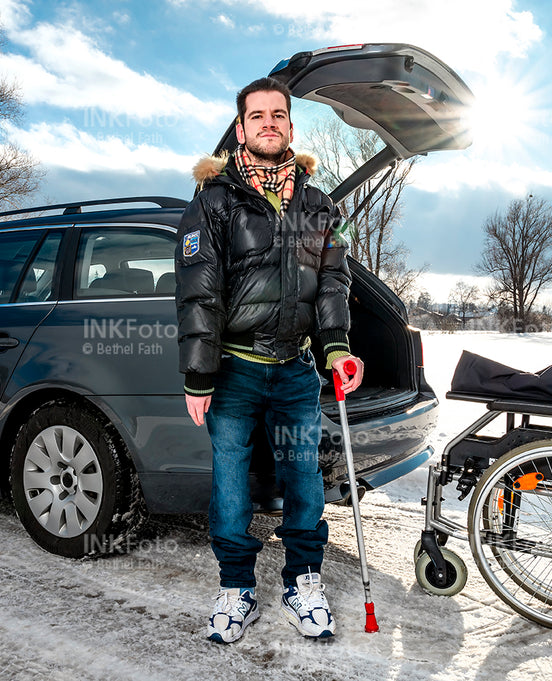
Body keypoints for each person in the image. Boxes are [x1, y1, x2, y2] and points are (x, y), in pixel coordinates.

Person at [174, 76, 364, 644]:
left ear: (289, 125)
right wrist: (199, 373)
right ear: (241, 128)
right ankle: (237, 590)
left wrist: (337, 348)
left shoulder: (318, 204)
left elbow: (333, 280)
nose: (269, 123)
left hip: (296, 370)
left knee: (304, 476)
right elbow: (198, 293)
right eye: (257, 116)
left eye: (278, 115)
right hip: (232, 370)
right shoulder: (212, 203)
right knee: (230, 482)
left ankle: (303, 579)